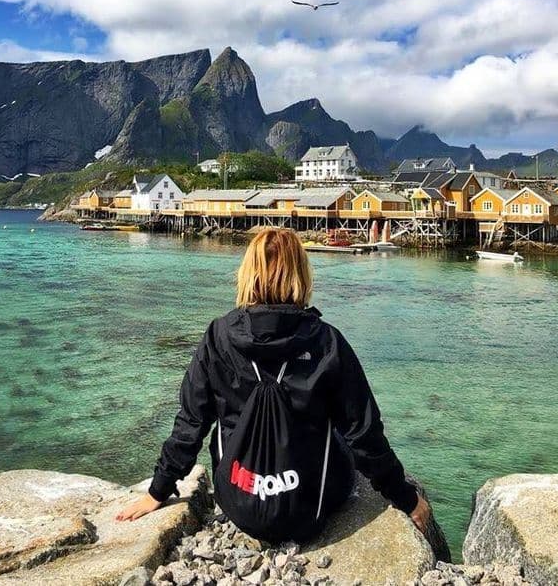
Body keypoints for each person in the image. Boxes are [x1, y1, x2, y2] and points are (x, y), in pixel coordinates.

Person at [116, 228, 431, 538]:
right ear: (301, 275)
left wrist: (157, 491)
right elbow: (364, 434)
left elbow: (191, 423)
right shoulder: (326, 342)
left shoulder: (218, 337)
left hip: (239, 503)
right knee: (342, 432)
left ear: (247, 273)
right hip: (311, 506)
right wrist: (406, 498)